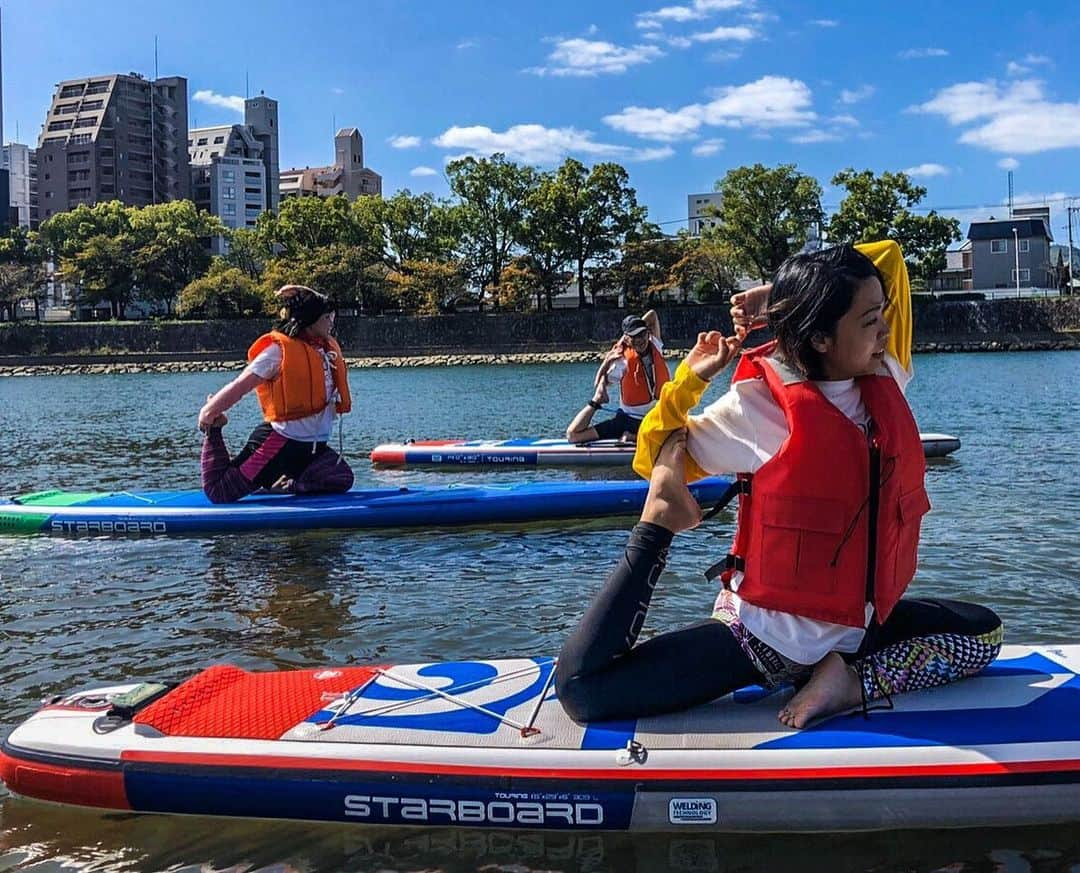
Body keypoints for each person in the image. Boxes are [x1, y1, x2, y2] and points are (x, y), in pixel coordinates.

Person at [556, 241, 1003, 729]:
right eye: (870, 321)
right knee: (583, 690)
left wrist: (776, 295)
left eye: (882, 315)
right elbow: (654, 452)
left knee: (985, 635)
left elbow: (893, 258)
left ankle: (849, 682)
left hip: (858, 631)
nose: (886, 330)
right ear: (820, 339)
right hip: (763, 642)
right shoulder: (757, 410)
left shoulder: (884, 373)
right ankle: (660, 522)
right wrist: (691, 379)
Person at [197, 284, 355, 504]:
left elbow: (320, 302)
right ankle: (215, 432)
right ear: (311, 319)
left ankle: (286, 485)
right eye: (328, 317)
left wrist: (306, 292)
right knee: (220, 493)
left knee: (341, 478)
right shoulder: (277, 352)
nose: (332, 323)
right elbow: (241, 385)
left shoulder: (326, 351)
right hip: (278, 443)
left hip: (312, 448)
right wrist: (210, 411)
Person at [566, 310, 669, 444]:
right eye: (634, 336)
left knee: (676, 429)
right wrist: (606, 362)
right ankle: (632, 436)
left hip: (653, 420)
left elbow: (653, 314)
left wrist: (622, 340)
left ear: (648, 333)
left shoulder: (655, 345)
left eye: (642, 334)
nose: (640, 340)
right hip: (628, 421)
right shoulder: (622, 362)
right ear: (628, 339)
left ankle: (633, 436)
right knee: (573, 435)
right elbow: (599, 385)